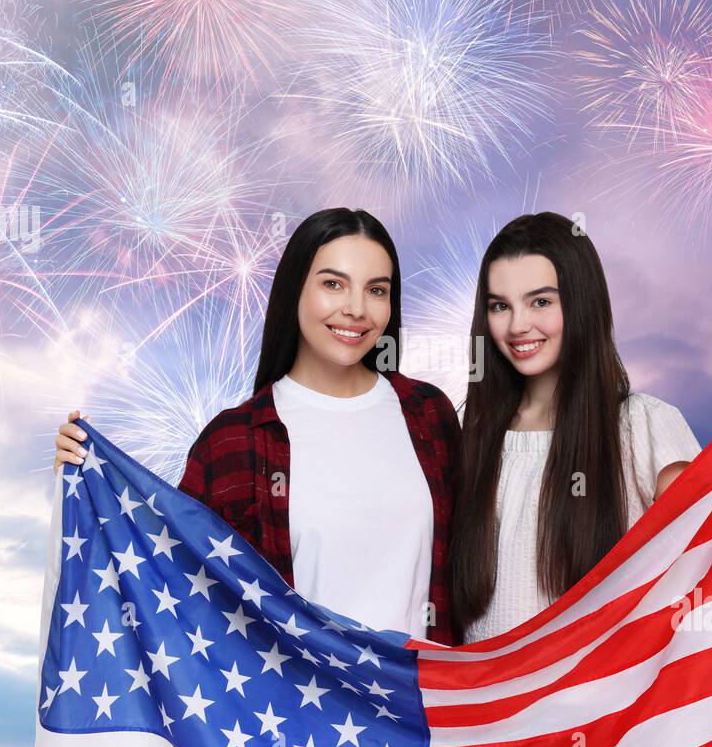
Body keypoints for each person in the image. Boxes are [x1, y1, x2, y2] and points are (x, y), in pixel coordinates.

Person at [52, 208, 461, 644]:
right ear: (294, 290)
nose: (356, 309)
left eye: (376, 290)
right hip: (299, 708)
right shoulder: (232, 442)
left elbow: (470, 562)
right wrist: (83, 480)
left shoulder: (427, 414)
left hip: (424, 702)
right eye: (333, 284)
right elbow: (173, 583)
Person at [448, 212, 712, 644]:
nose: (517, 326)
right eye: (500, 306)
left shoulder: (642, 426)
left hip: (597, 707)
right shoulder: (468, 435)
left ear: (582, 304)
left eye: (541, 302)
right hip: (487, 705)